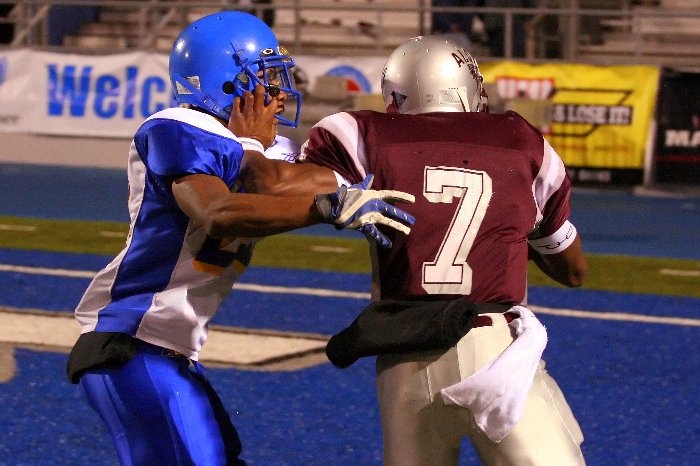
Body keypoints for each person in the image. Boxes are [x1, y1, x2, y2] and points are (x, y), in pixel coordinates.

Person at [64, 11, 414, 466]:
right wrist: (325, 207)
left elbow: (319, 179)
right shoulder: (177, 127)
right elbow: (217, 214)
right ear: (226, 83)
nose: (279, 92)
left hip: (168, 353)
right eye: (265, 76)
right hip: (131, 343)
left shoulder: (263, 154)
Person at [298, 35, 588, 465]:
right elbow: (573, 271)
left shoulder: (360, 133)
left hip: (402, 358)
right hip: (492, 347)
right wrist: (511, 227)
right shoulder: (520, 139)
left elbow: (289, 192)